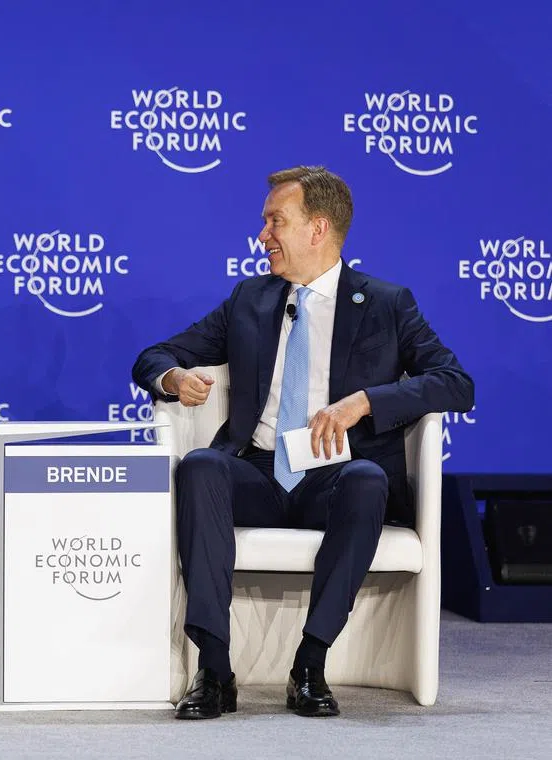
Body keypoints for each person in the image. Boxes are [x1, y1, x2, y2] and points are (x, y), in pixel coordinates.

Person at [132, 165, 474, 719]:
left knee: (368, 480)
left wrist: (366, 401)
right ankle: (214, 670)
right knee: (199, 466)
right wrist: (172, 379)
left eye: (275, 222)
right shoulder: (251, 299)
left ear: (317, 229)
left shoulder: (386, 304)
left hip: (334, 476)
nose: (262, 235)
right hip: (258, 471)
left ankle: (310, 665)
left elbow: (456, 383)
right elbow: (155, 356)